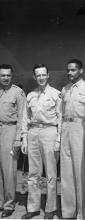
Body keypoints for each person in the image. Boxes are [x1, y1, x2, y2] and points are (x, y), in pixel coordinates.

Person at [21, 64, 62, 219]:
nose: (41, 77)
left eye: (43, 74)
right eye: (38, 75)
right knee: (33, 173)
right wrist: (24, 138)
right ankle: (33, 207)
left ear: (48, 75)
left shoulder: (56, 94)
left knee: (51, 173)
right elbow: (25, 118)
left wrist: (58, 139)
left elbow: (60, 118)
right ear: (34, 77)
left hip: (49, 132)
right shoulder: (30, 95)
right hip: (33, 133)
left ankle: (50, 209)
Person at [60, 59, 85, 219]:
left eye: (73, 70)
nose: (70, 73)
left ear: (81, 71)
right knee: (66, 173)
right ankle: (68, 212)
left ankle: (81, 213)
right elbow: (60, 113)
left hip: (80, 128)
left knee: (80, 172)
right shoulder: (65, 89)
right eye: (68, 70)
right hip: (66, 128)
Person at [0, 64, 26, 217]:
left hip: (10, 131)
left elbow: (22, 117)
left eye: (8, 75)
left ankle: (9, 204)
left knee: (9, 170)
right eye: (2, 75)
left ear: (12, 76)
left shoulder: (18, 92)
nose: (5, 77)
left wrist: (18, 139)